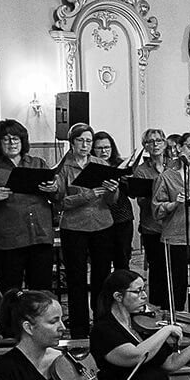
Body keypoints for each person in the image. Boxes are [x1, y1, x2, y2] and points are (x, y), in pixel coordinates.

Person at [0, 118, 57, 297]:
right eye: (6, 139)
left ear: (23, 141)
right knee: (9, 293)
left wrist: (54, 189)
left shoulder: (38, 163)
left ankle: (41, 325)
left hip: (40, 236)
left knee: (42, 293)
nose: (12, 143)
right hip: (8, 241)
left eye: (16, 138)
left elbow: (56, 196)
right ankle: (10, 325)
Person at [55, 123, 120, 337]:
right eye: (81, 140)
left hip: (102, 224)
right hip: (74, 227)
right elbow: (60, 202)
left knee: (102, 277)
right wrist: (87, 196)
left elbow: (113, 200)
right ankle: (79, 328)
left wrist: (112, 190)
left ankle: (102, 324)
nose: (85, 145)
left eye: (89, 141)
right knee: (77, 279)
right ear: (72, 142)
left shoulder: (100, 163)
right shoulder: (64, 167)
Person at [153, 132, 190, 323]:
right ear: (179, 148)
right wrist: (173, 204)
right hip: (175, 237)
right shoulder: (166, 177)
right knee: (176, 285)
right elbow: (156, 210)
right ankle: (175, 325)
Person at [130, 128, 172, 310]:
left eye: (159, 140)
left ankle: (174, 309)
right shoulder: (141, 170)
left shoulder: (174, 166)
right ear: (145, 146)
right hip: (152, 226)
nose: (155, 144)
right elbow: (141, 201)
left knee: (173, 271)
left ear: (165, 143)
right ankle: (157, 309)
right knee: (157, 270)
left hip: (173, 226)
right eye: (150, 142)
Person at [92, 131, 134, 270]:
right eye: (99, 148)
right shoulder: (90, 166)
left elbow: (131, 193)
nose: (104, 151)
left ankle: (123, 289)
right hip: (100, 216)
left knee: (122, 258)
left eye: (107, 147)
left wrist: (128, 181)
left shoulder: (120, 164)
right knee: (101, 260)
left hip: (122, 216)